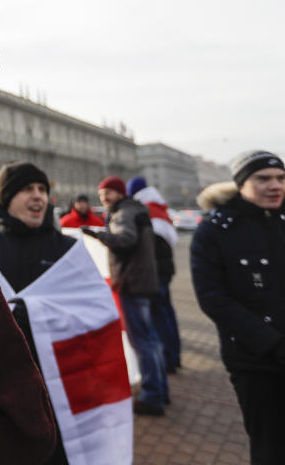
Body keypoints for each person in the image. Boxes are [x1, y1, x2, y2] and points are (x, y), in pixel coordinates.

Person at [0, 162, 132, 464]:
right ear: (6, 198)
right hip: (5, 390)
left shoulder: (69, 248)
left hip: (65, 387)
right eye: (26, 189)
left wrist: (28, 313)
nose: (37, 197)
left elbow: (102, 313)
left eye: (42, 190)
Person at [190, 151, 285, 464]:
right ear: (242, 184)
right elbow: (212, 297)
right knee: (271, 448)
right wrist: (272, 343)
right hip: (256, 362)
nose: (275, 186)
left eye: (281, 178)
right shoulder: (216, 231)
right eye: (263, 179)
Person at [88, 175, 167, 416]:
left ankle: (152, 396)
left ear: (120, 193)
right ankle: (160, 390)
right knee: (151, 339)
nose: (105, 199)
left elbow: (125, 239)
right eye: (101, 195)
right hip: (143, 281)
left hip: (132, 283)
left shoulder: (123, 213)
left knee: (141, 341)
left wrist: (98, 235)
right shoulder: (137, 209)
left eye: (108, 194)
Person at [126, 176, 181, 373]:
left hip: (156, 270)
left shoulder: (145, 210)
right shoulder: (159, 207)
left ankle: (168, 358)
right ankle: (174, 355)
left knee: (159, 315)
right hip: (166, 268)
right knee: (167, 312)